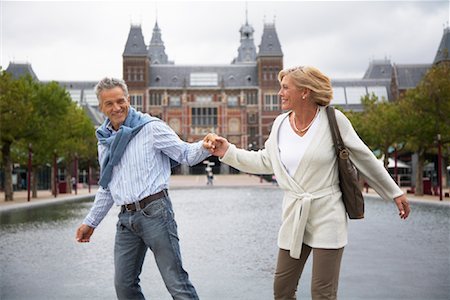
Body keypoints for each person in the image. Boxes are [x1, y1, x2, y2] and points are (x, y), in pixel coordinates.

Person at [205, 66, 411, 300]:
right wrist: (227, 151)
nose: (279, 93)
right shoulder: (280, 124)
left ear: (304, 92)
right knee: (282, 291)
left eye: (285, 88)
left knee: (322, 294)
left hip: (328, 213)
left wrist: (394, 192)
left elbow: (364, 158)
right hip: (294, 215)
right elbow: (264, 161)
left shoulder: (334, 120)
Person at [75, 77, 213, 300]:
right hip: (126, 219)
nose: (116, 107)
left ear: (128, 100)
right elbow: (108, 187)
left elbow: (184, 154)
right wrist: (90, 223)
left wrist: (205, 146)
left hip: (155, 213)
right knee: (124, 286)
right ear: (101, 107)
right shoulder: (104, 140)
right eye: (109, 103)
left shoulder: (151, 128)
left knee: (176, 282)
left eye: (120, 101)